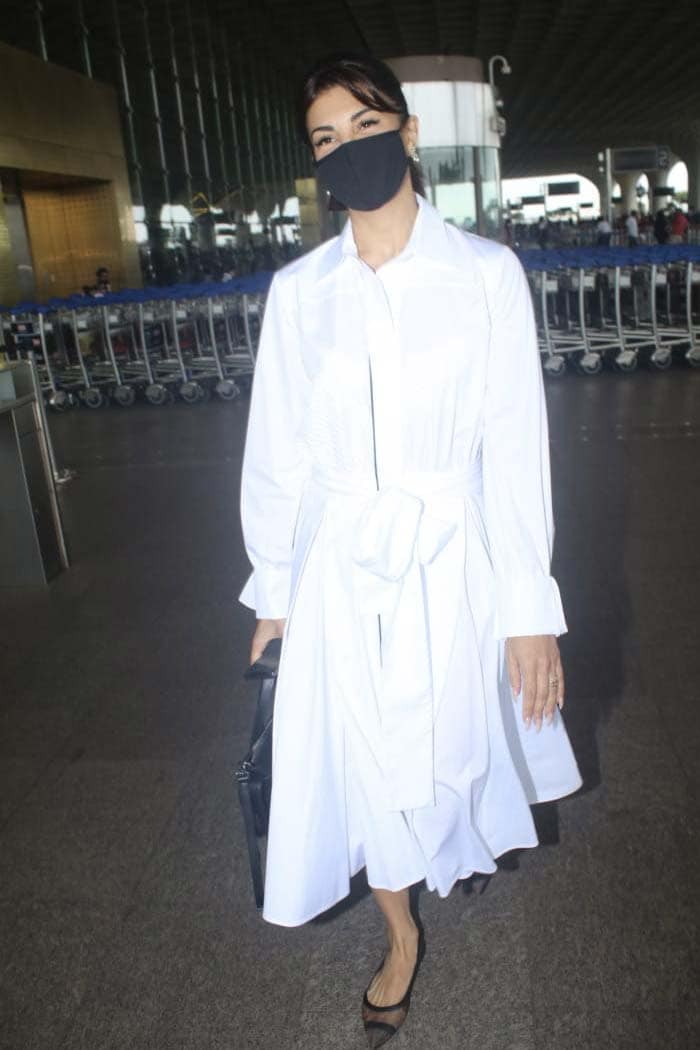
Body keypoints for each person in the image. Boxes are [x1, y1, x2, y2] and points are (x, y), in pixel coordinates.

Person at [239, 52, 582, 1048]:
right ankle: (398, 936)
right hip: (340, 564)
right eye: (324, 139)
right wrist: (274, 595)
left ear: (408, 132)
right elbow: (280, 453)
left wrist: (530, 612)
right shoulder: (300, 293)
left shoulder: (484, 275)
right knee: (363, 761)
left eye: (362, 124)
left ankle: (439, 859)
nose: (346, 148)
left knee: (447, 751)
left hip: (454, 559)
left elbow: (515, 449)